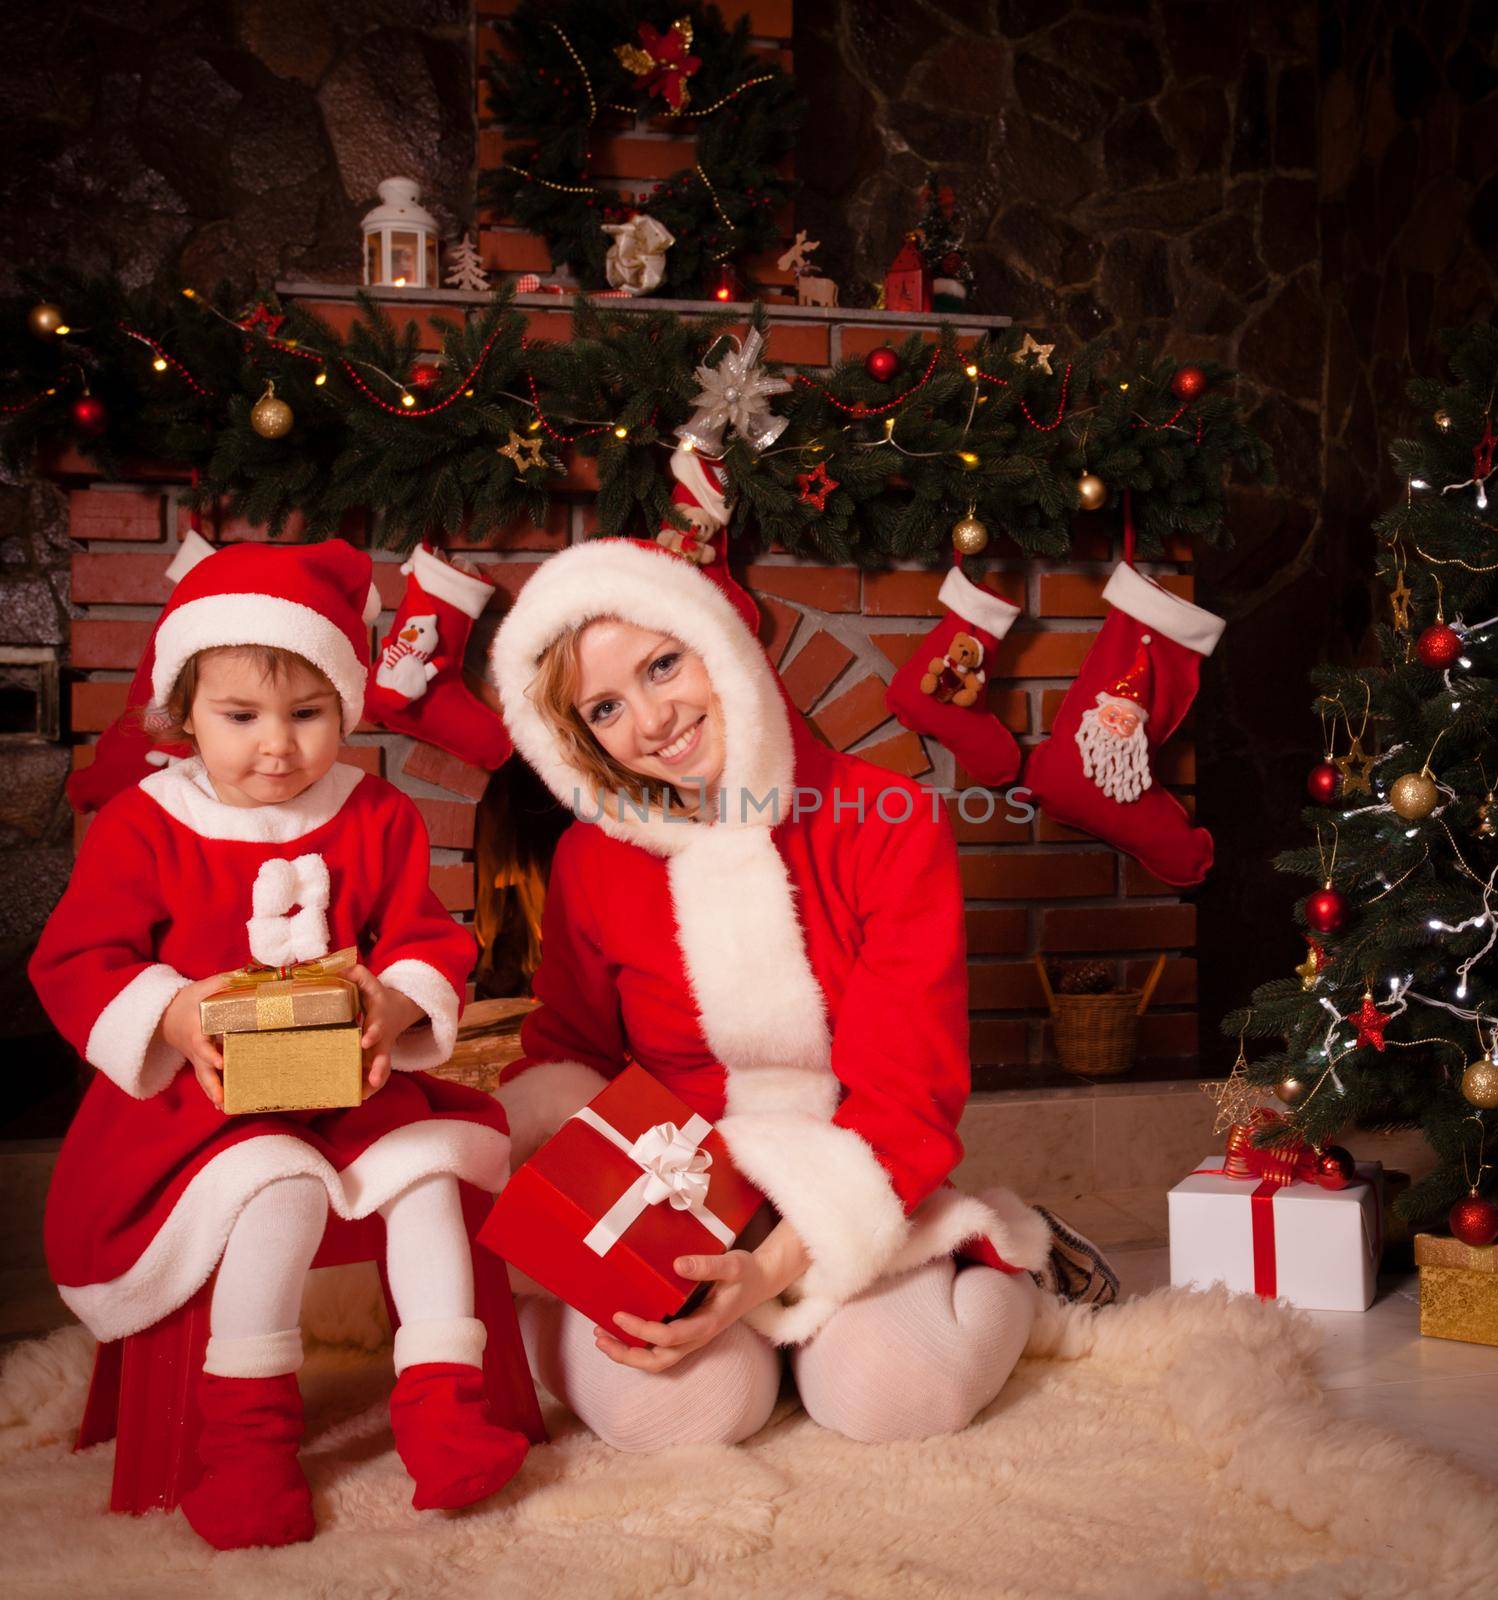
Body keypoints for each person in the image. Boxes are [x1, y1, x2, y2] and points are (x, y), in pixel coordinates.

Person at [489, 534, 1111, 1452]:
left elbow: (908, 1092)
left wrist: (775, 1262)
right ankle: (723, 1349)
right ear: (577, 741)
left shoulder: (888, 824)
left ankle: (1021, 1268)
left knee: (892, 1399)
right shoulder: (591, 859)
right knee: (684, 1414)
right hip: (686, 1198)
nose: (654, 720)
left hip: (851, 1180)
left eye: (665, 664)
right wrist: (590, 1230)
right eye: (607, 707)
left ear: (723, 649)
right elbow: (572, 1053)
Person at [30, 541, 528, 1550]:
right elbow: (80, 958)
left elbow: (428, 935)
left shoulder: (374, 812)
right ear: (183, 712)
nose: (276, 748)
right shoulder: (144, 823)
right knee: (274, 1188)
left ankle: (443, 1406)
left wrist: (394, 1004)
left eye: (307, 716)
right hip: (200, 1116)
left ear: (344, 708)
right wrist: (173, 1014)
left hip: (355, 1093)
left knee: (426, 1175)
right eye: (240, 717)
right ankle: (245, 1442)